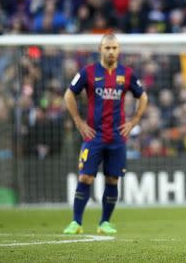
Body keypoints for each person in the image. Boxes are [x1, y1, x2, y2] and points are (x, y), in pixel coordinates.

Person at [63, 33, 148, 234]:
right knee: (85, 178)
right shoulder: (88, 72)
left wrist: (134, 121)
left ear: (118, 50)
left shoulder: (126, 74)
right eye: (107, 48)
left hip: (117, 138)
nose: (111, 51)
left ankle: (104, 223)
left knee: (112, 180)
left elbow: (142, 96)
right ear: (100, 49)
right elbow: (69, 94)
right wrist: (78, 122)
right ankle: (76, 222)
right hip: (94, 136)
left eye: (114, 48)